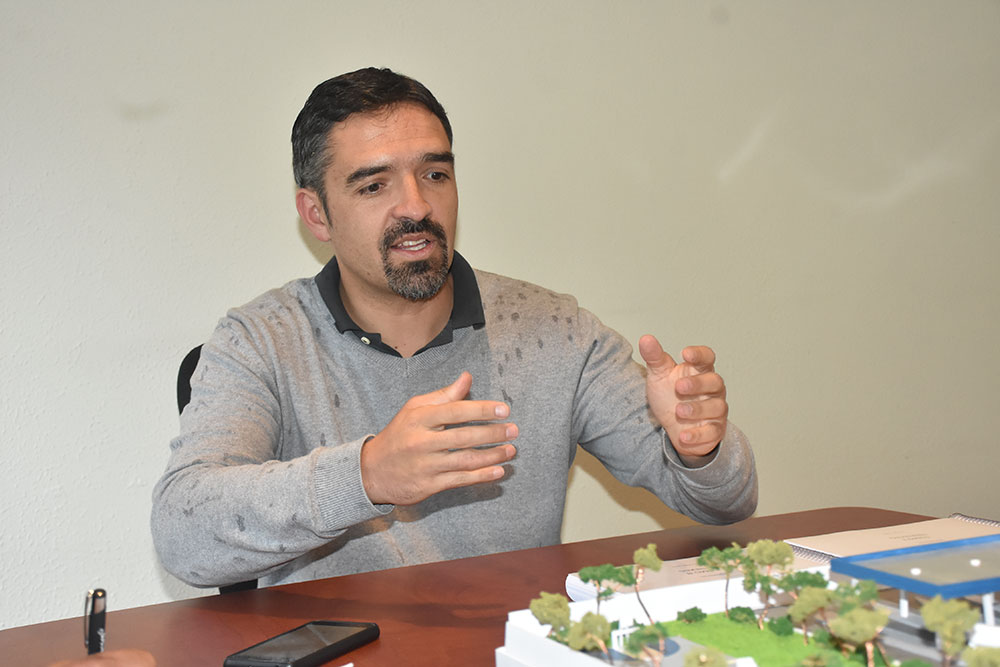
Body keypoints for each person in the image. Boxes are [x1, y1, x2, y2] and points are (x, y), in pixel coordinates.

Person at [151, 67, 757, 589]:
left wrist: (700, 448)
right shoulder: (260, 340)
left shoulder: (554, 331)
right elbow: (183, 534)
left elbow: (726, 503)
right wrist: (367, 475)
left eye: (435, 175)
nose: (415, 206)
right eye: (374, 185)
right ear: (317, 214)